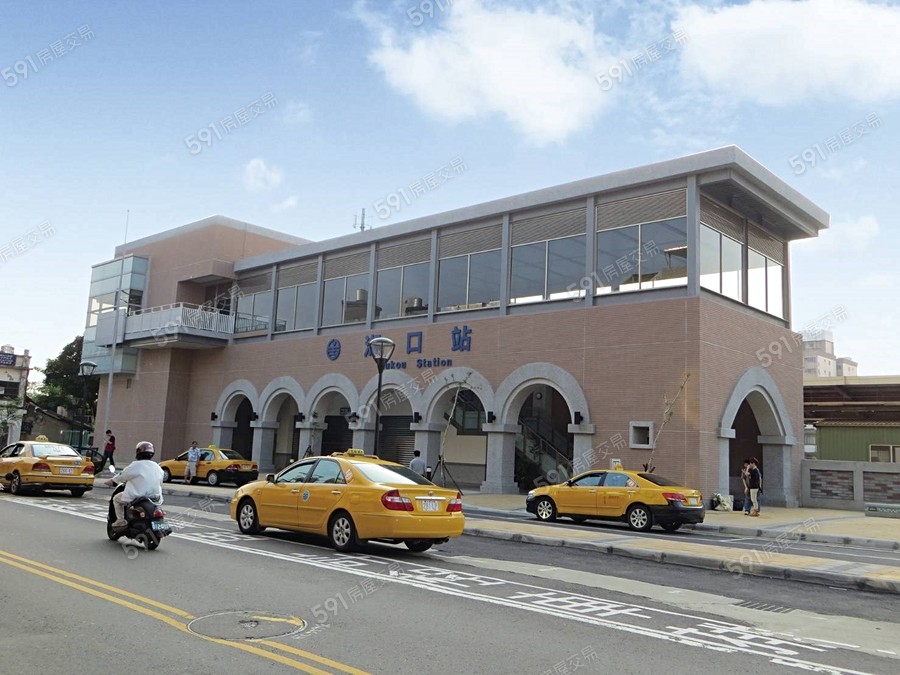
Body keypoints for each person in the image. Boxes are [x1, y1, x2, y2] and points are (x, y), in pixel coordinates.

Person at [105, 441, 165, 530]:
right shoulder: (157, 466)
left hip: (137, 496)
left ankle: (121, 521)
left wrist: (112, 481)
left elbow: (122, 475)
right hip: (155, 497)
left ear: (138, 452)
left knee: (116, 499)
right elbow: (160, 481)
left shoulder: (136, 465)